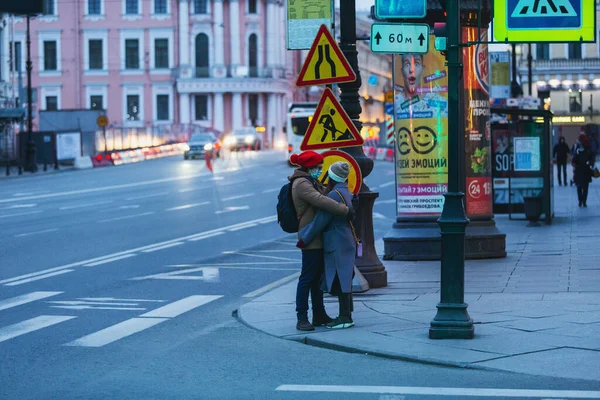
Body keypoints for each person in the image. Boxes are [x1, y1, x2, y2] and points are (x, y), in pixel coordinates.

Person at [289, 151, 354, 331]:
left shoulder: (311, 181)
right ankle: (301, 316)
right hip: (310, 236)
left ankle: (319, 314)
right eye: (317, 167)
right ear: (308, 167)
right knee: (307, 277)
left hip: (318, 236)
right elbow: (320, 200)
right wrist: (345, 210)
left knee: (317, 278)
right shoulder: (301, 183)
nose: (320, 170)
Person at [572, 134, 594, 208]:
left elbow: (591, 159)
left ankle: (583, 201)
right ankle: (581, 201)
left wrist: (589, 162)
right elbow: (574, 159)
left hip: (584, 171)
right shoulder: (578, 151)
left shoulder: (587, 150)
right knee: (580, 187)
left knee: (584, 188)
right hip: (580, 171)